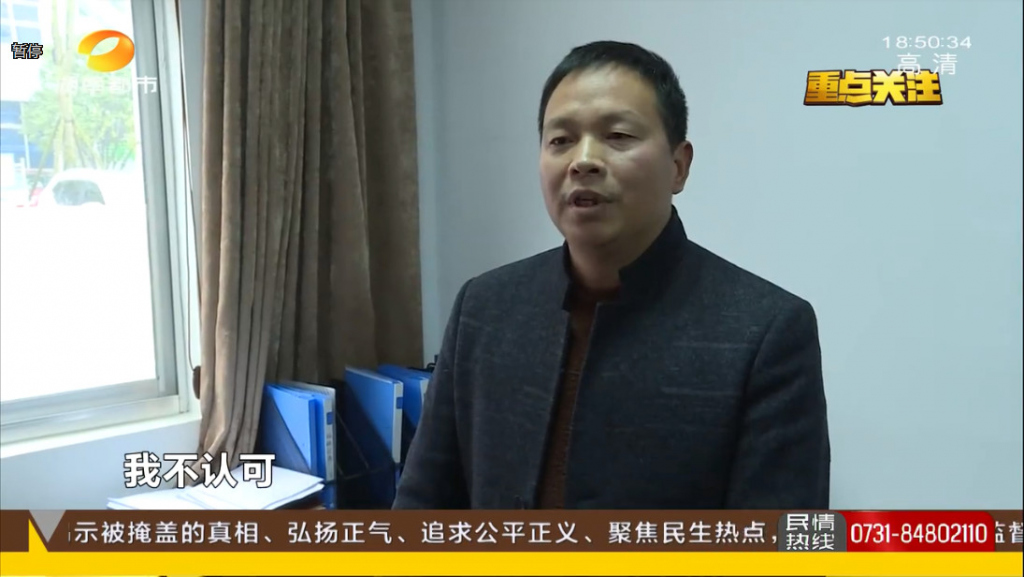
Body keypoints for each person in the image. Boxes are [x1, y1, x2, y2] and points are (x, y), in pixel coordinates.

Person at [394, 40, 830, 509]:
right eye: (560, 140)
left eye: (618, 135)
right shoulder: (484, 307)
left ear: (678, 166)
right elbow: (422, 505)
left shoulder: (766, 331)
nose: (583, 160)